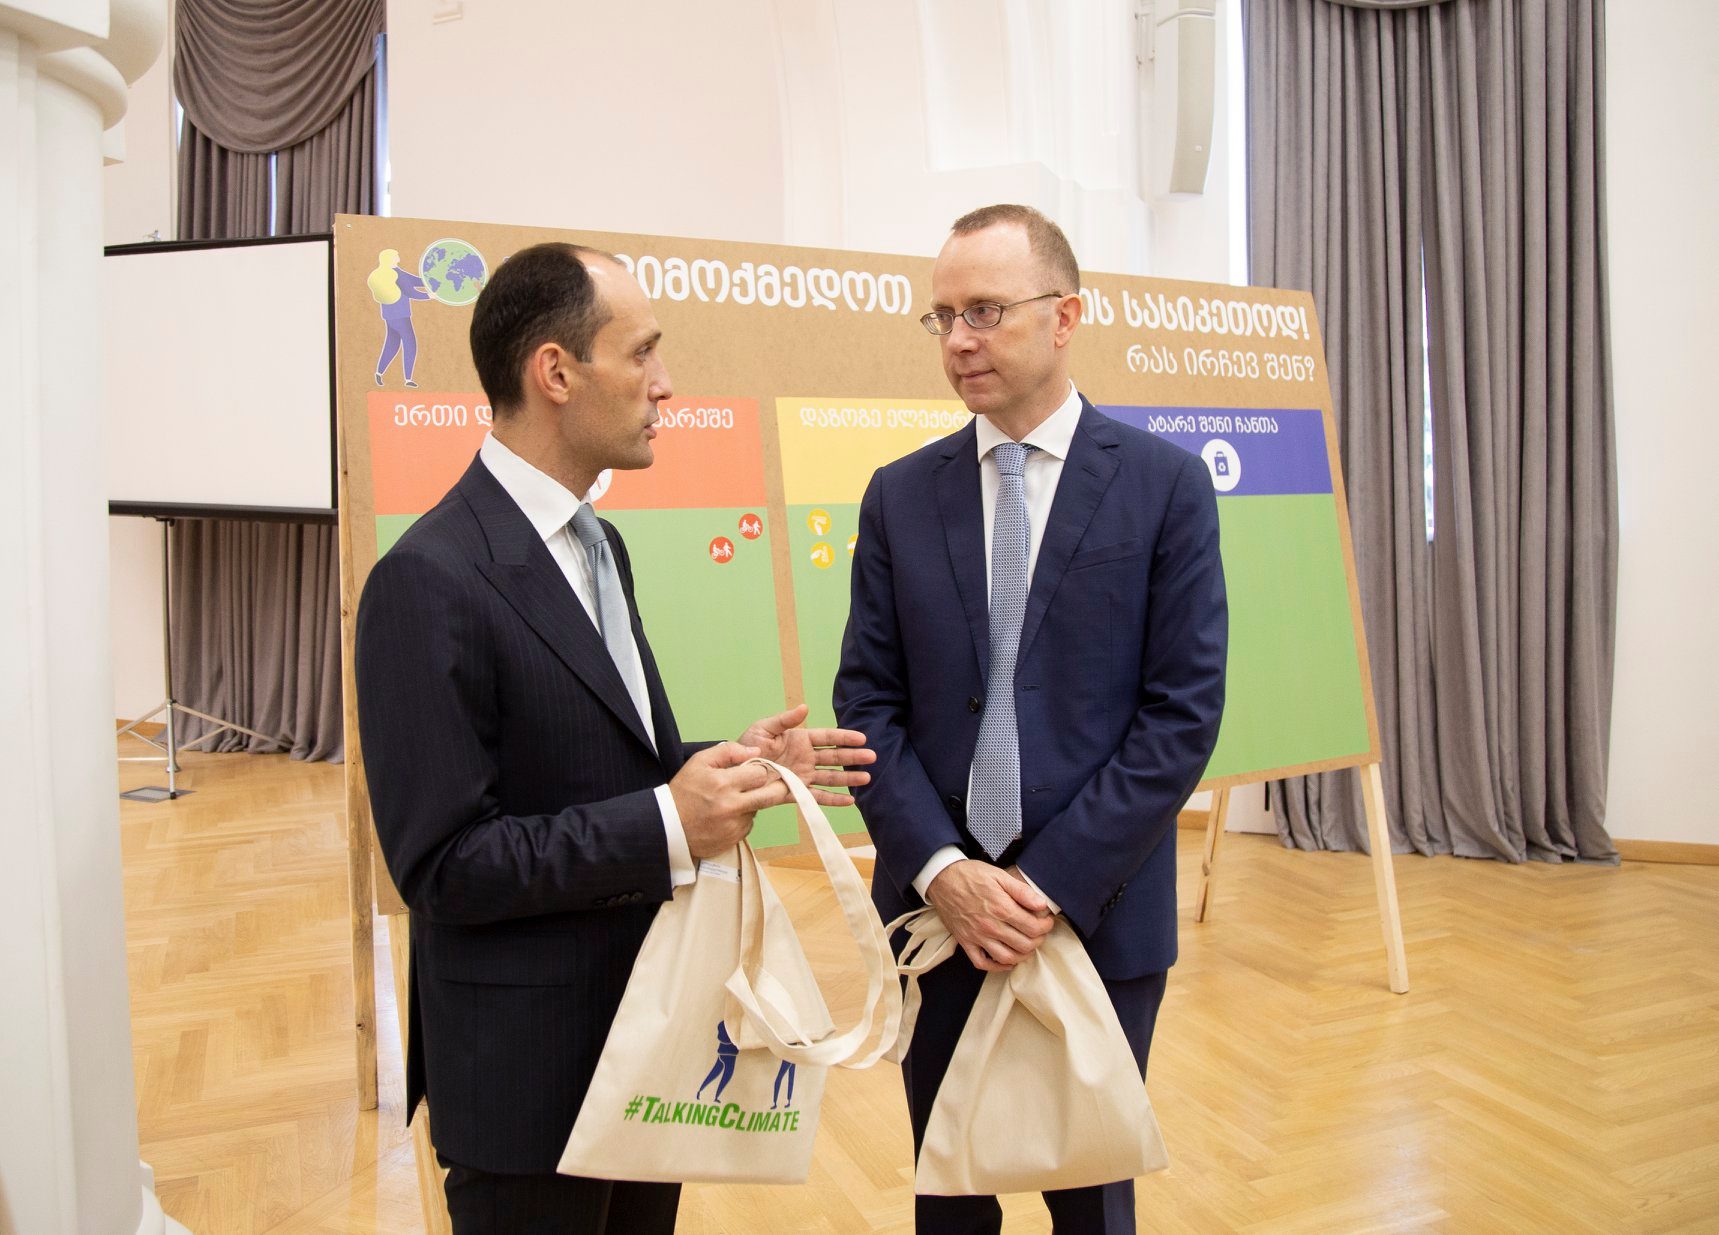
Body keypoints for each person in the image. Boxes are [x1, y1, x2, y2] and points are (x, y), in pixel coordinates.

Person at [357, 242, 874, 1234]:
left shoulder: (601, 545)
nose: (665, 383)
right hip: (525, 1078)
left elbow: (605, 760)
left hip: (645, 1041)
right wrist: (669, 821)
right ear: (556, 372)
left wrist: (727, 766)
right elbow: (445, 866)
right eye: (641, 353)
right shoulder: (428, 580)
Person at [834, 204, 1227, 1234]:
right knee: (950, 1202)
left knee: (1090, 1205)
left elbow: (1181, 714)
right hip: (938, 919)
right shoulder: (898, 495)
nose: (958, 339)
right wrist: (944, 872)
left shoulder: (1164, 487)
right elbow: (868, 701)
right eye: (943, 316)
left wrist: (1041, 886)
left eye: (986, 310)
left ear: (1065, 316)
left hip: (1094, 914)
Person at [368, 247, 430, 388]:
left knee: (392, 344)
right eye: (396, 256)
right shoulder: (396, 274)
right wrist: (429, 295)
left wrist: (429, 282)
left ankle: (379, 372)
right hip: (401, 315)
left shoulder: (385, 272)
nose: (399, 258)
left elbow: (413, 281)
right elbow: (410, 292)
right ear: (391, 258)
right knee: (410, 344)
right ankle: (408, 379)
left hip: (389, 315)